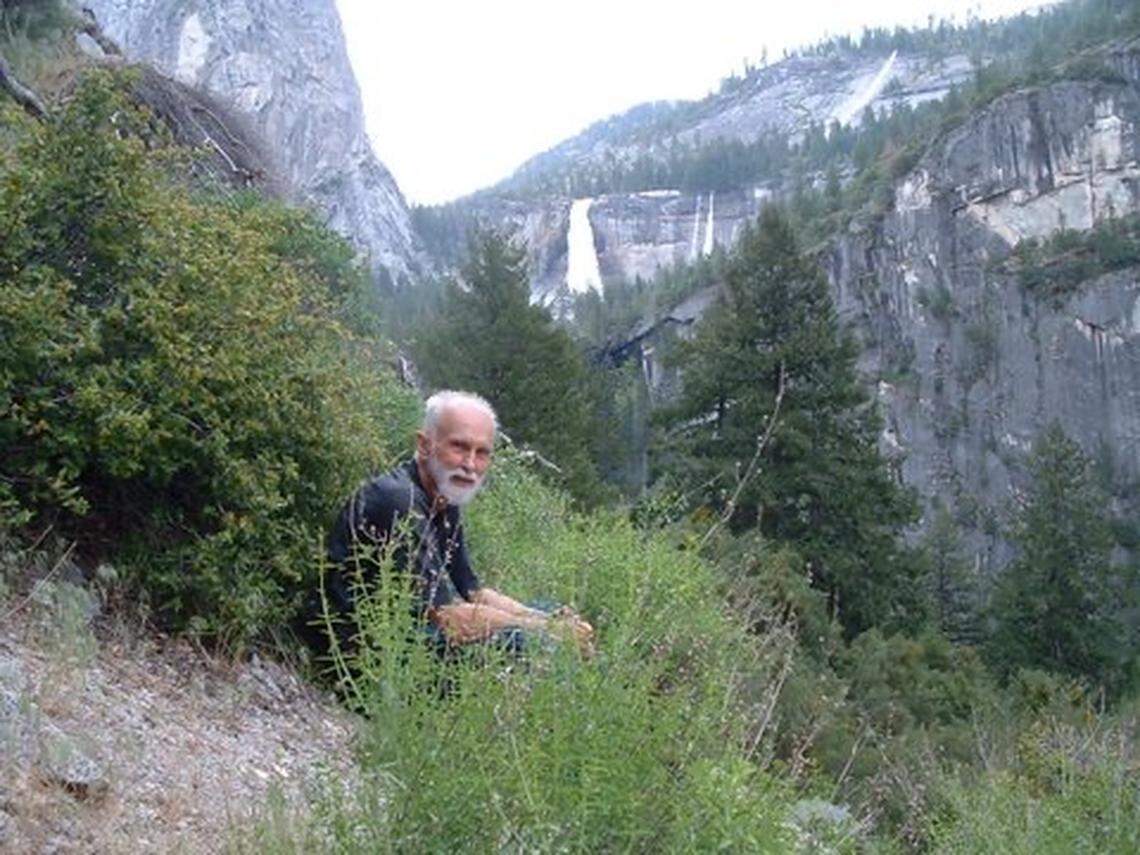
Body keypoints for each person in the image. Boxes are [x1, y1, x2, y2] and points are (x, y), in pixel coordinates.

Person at [315, 390, 594, 663]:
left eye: (482, 452)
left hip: (411, 636)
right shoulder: (399, 499)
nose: (470, 464)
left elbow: (473, 591)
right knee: (525, 644)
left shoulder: (445, 497)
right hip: (366, 656)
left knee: (549, 611)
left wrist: (549, 621)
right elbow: (449, 618)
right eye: (459, 447)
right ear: (425, 445)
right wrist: (547, 631)